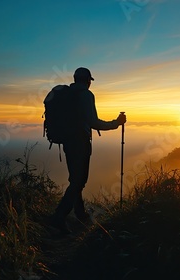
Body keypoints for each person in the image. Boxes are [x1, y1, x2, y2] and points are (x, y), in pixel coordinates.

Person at [50, 67, 126, 233]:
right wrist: (116, 123)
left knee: (75, 179)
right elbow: (94, 122)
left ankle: (79, 213)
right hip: (80, 143)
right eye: (90, 80)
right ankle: (59, 217)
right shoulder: (86, 95)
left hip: (67, 142)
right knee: (79, 181)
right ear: (87, 80)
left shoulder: (67, 94)